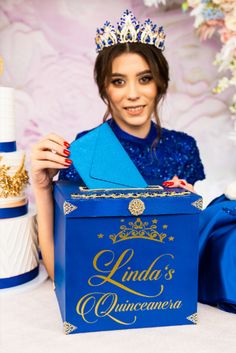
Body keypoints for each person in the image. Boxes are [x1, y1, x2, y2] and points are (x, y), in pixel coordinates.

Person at [31, 10, 205, 281]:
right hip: (107, 286)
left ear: (161, 84)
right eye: (118, 81)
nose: (133, 93)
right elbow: (59, 274)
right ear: (104, 88)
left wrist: (186, 211)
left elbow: (187, 261)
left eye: (145, 78)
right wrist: (42, 189)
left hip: (162, 290)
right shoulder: (87, 151)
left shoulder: (184, 148)